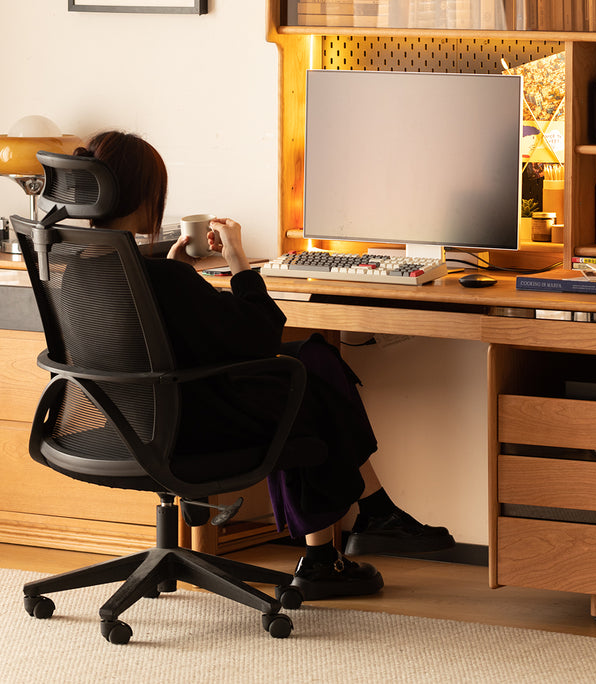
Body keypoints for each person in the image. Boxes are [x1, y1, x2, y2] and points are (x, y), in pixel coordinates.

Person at [72, 131, 454, 601]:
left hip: (120, 425)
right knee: (303, 380)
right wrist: (238, 263)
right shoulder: (162, 278)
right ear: (150, 196)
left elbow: (181, 339)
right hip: (183, 430)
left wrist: (180, 274)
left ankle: (346, 536)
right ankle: (357, 527)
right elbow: (258, 335)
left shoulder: (76, 267)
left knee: (309, 362)